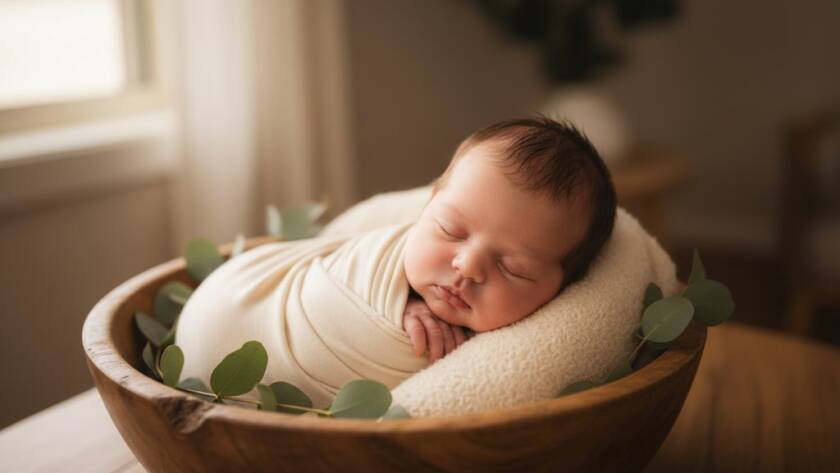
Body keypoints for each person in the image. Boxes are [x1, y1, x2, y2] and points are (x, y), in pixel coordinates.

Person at [401, 117, 617, 363]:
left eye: (513, 269)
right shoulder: (380, 254)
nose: (468, 266)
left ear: (561, 291)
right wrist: (397, 303)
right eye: (450, 230)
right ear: (430, 202)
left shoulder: (523, 357)